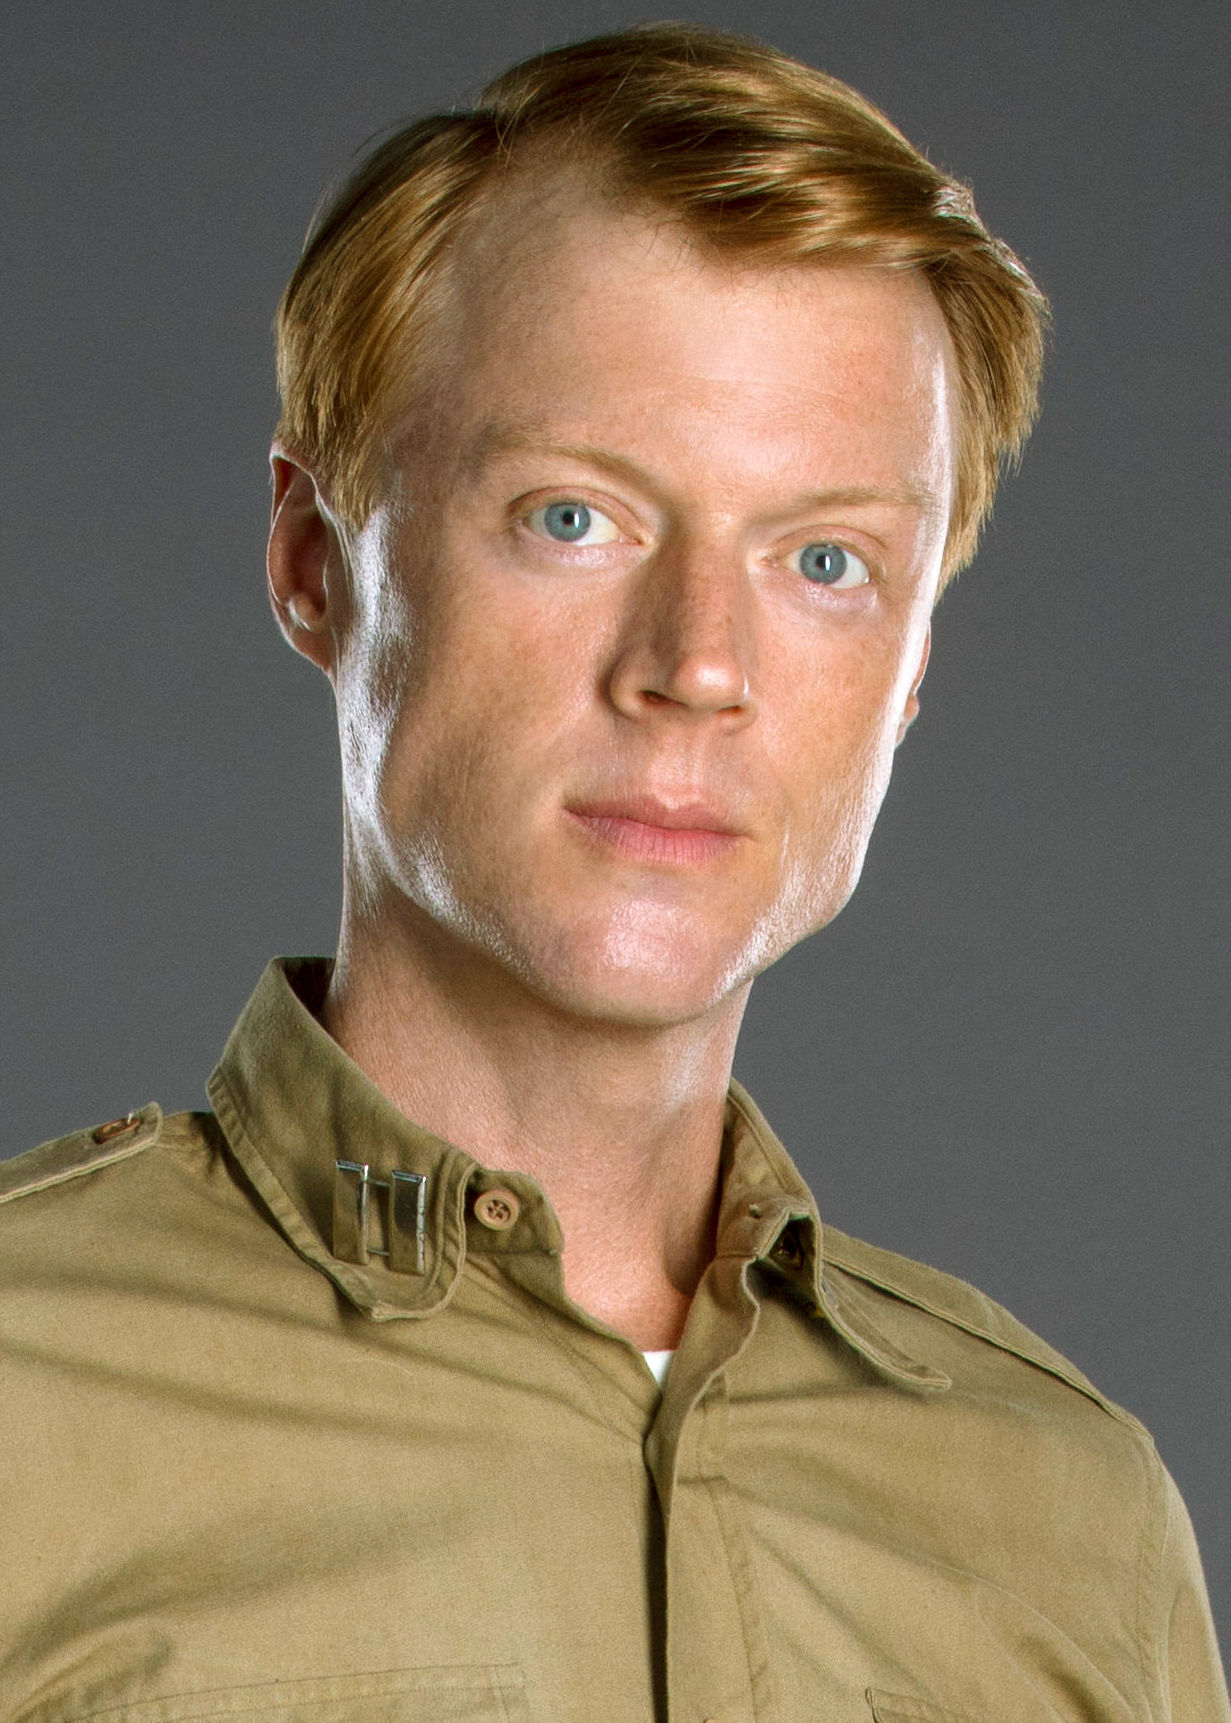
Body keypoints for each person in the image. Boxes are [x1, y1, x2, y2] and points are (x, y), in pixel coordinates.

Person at [1, 22, 1225, 1723]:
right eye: (573, 518)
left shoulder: (1075, 1530)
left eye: (824, 561)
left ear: (910, 676)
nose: (698, 665)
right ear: (313, 562)